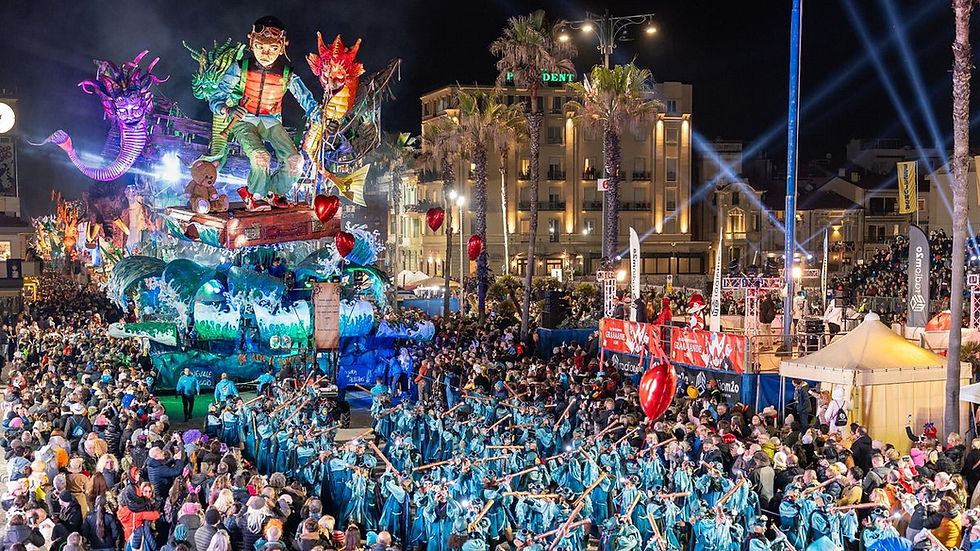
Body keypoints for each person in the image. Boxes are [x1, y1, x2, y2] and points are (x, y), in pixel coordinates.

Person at [208, 15, 320, 209]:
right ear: (252, 42)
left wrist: (324, 118)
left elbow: (307, 101)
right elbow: (216, 97)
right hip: (245, 120)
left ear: (282, 46)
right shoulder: (241, 68)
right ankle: (255, 194)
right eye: (260, 47)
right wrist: (228, 108)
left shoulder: (287, 75)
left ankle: (275, 193)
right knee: (261, 157)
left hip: (272, 121)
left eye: (273, 48)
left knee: (295, 161)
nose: (266, 53)